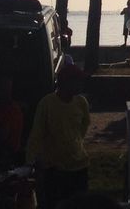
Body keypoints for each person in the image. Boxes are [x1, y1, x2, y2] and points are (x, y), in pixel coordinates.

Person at [27, 65, 91, 209]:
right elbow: (37, 133)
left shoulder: (81, 103)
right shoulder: (47, 104)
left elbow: (84, 126)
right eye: (78, 81)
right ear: (66, 83)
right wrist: (31, 161)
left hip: (79, 166)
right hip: (55, 169)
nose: (81, 84)